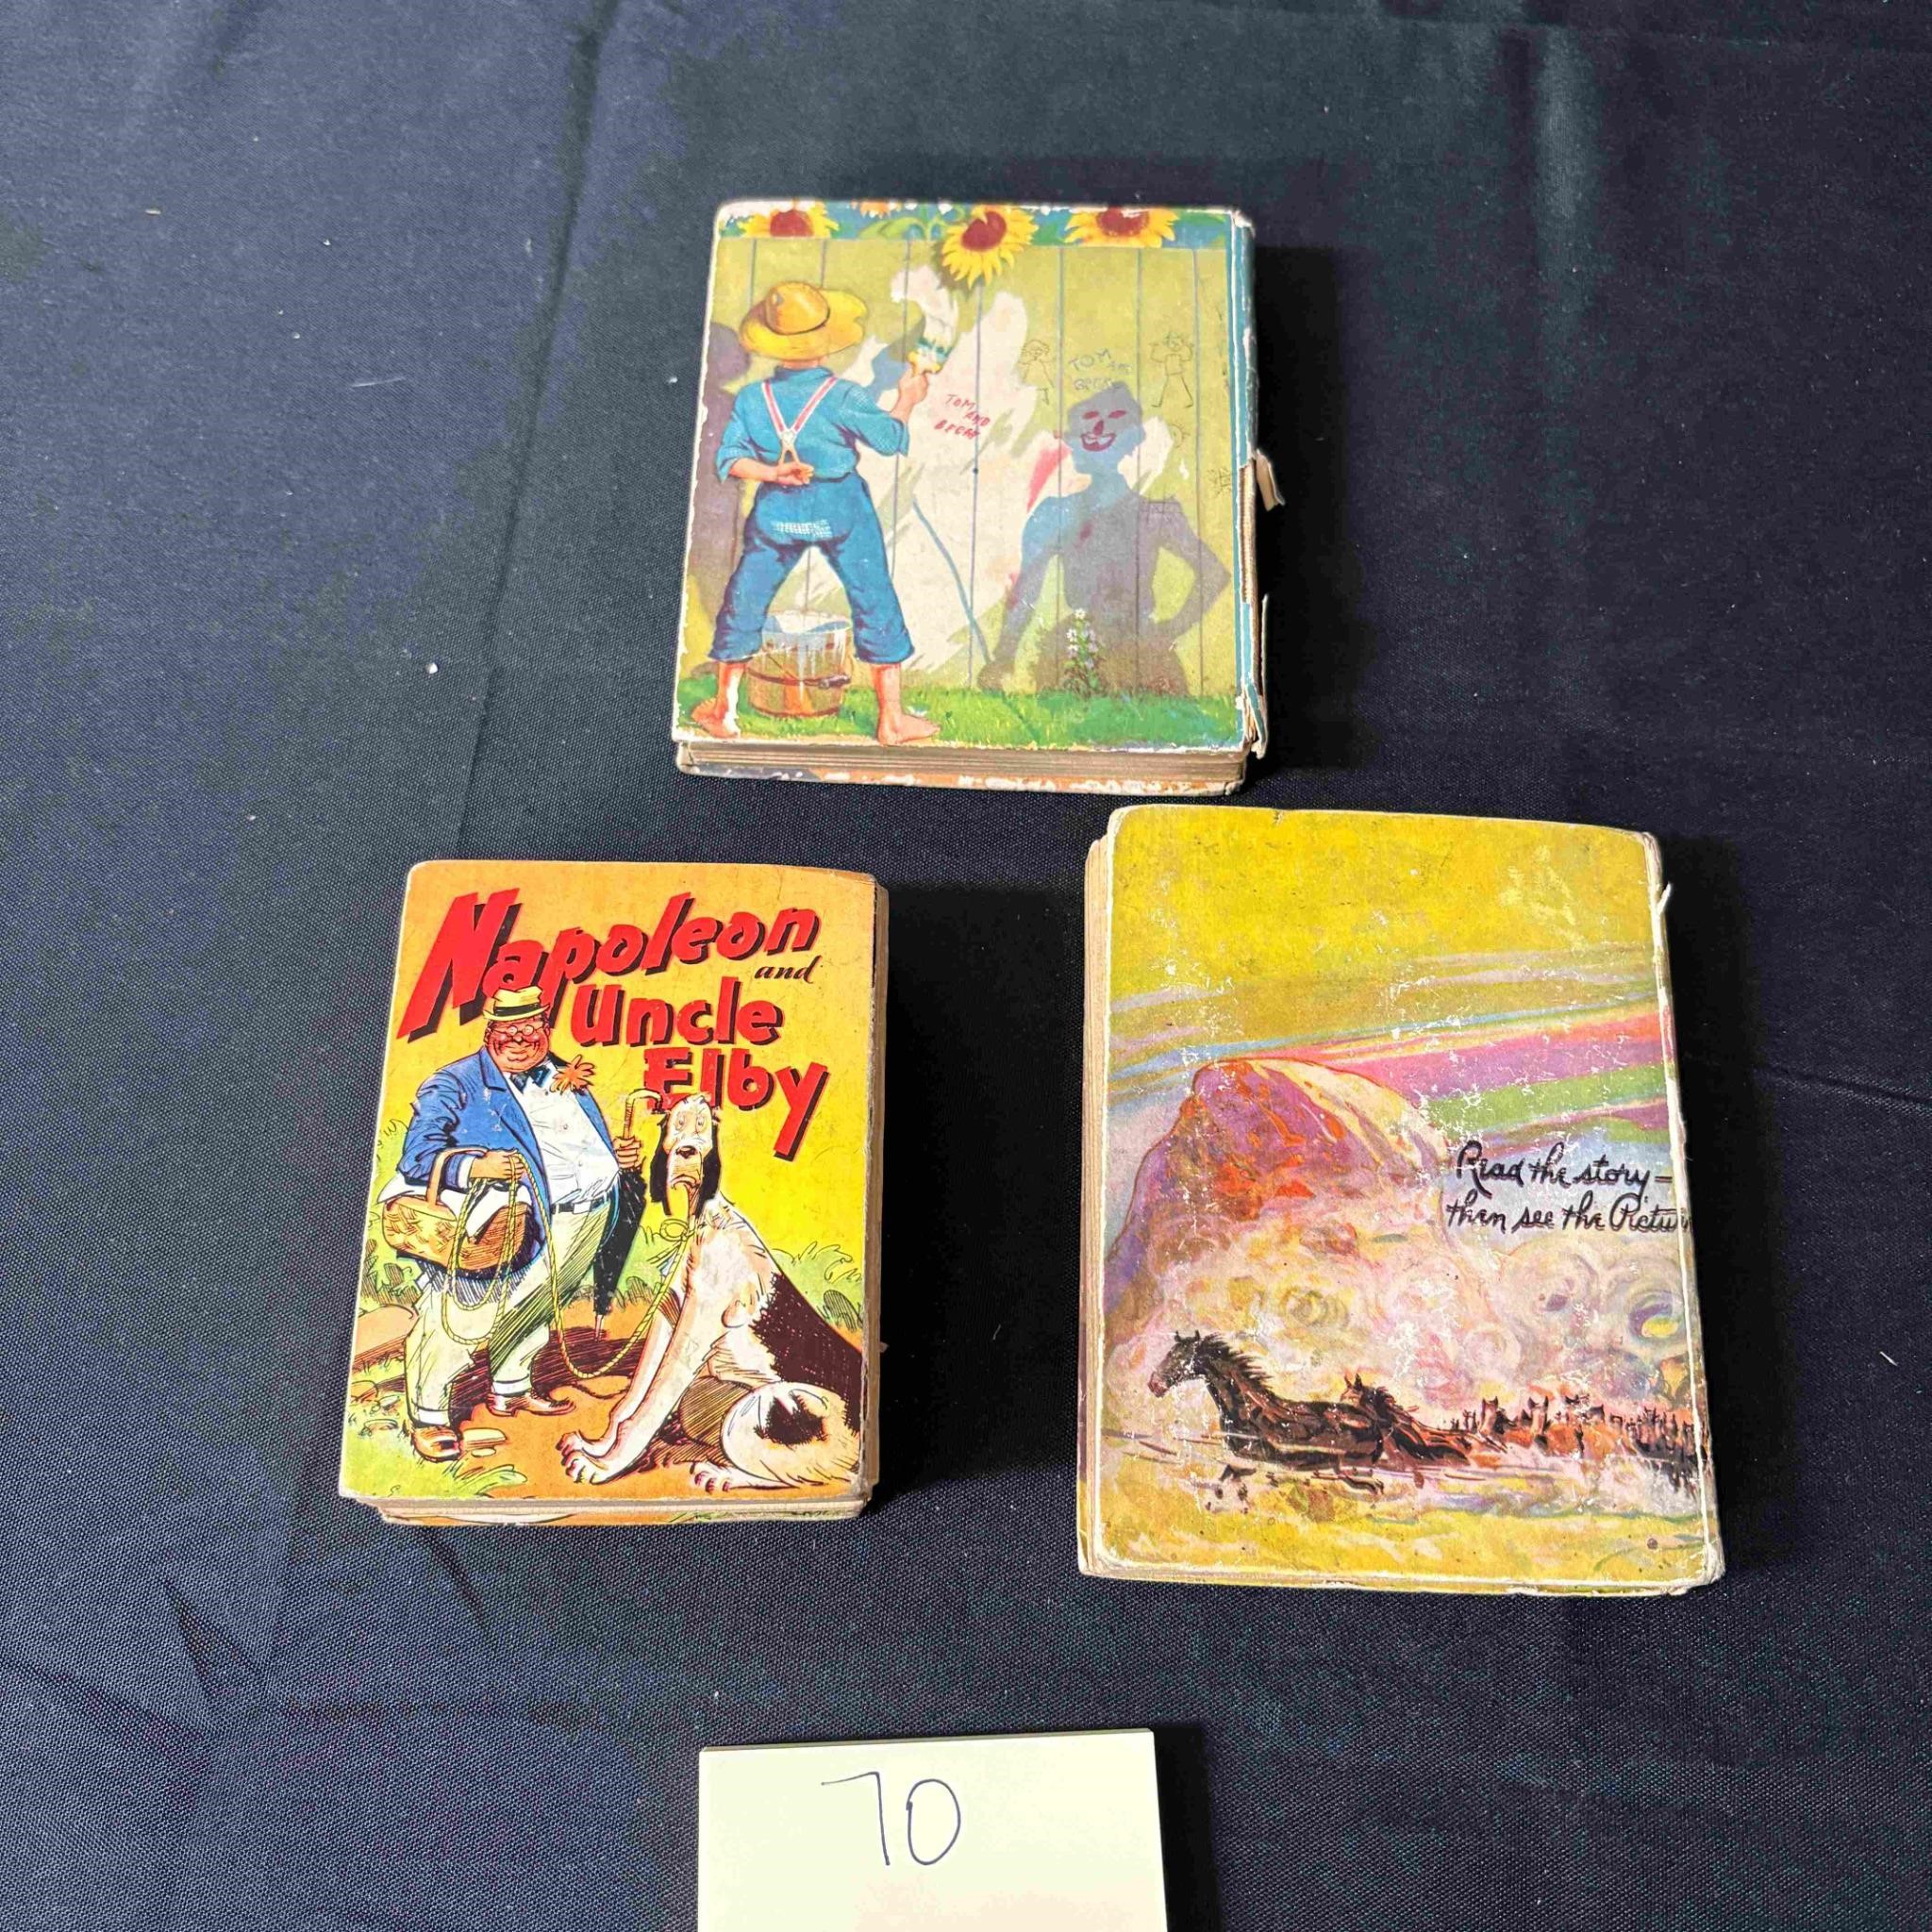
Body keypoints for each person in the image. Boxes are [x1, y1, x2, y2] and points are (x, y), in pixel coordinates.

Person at [383, 985, 644, 1461]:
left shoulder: (564, 1074)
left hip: (585, 1218)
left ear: (545, 1028)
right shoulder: (455, 1083)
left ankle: (511, 1387)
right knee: (461, 1317)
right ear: (490, 1033)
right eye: (509, 1030)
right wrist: (474, 1166)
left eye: (530, 1028)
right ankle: (428, 1413)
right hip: (505, 1225)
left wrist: (613, 1158)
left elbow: (569, 1142)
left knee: (539, 1307)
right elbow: (418, 1156)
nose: (520, 1040)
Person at [693, 280, 940, 747]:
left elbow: (730, 460)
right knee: (873, 597)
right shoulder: (844, 395)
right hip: (841, 507)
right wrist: (908, 398)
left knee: (746, 597)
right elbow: (890, 440)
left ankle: (724, 711)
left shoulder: (751, 399)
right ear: (825, 341)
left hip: (776, 509)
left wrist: (773, 472)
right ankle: (891, 720)